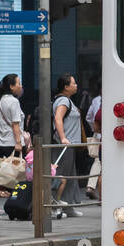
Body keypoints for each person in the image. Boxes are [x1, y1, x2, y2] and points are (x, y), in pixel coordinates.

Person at [52, 74, 83, 216]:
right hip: (64, 145)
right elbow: (58, 118)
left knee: (70, 176)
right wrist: (63, 138)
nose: (76, 85)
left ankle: (68, 207)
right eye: (73, 83)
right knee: (61, 176)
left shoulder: (68, 100)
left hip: (70, 145)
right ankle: (54, 206)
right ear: (66, 87)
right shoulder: (63, 100)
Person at [0, 73, 25, 162]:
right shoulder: (13, 101)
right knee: (16, 173)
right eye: (19, 83)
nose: (21, 86)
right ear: (11, 86)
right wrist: (18, 143)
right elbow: (15, 124)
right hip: (13, 144)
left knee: (4, 173)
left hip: (1, 143)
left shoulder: (0, 100)